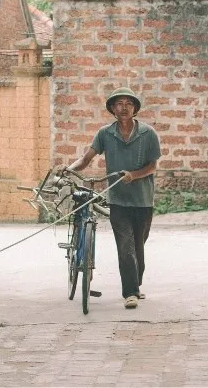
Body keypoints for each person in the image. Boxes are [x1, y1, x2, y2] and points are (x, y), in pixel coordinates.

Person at [58, 87, 161, 309]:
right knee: (125, 247)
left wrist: (134, 175)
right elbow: (86, 159)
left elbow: (153, 166)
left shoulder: (148, 134)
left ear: (134, 108)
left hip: (143, 201)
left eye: (128, 104)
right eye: (119, 104)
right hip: (119, 201)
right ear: (113, 109)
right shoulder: (105, 133)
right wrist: (70, 169)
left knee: (138, 247)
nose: (124, 108)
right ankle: (130, 293)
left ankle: (136, 283)